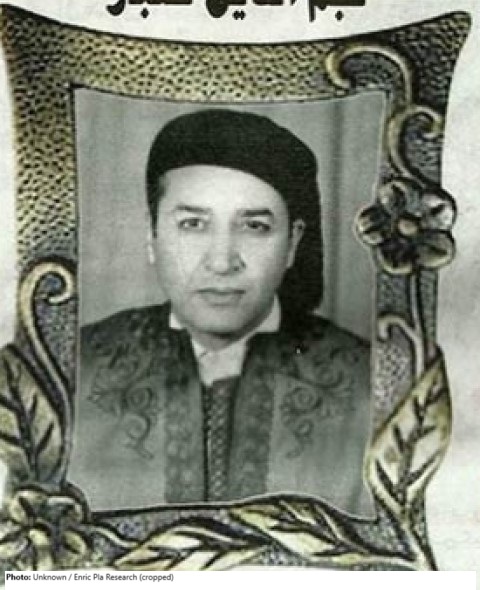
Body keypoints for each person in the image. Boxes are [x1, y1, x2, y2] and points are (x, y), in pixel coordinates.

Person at [69, 109, 372, 513]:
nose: (222, 261)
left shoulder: (373, 387)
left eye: (254, 227)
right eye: (193, 224)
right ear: (152, 235)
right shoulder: (67, 373)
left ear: (292, 244)